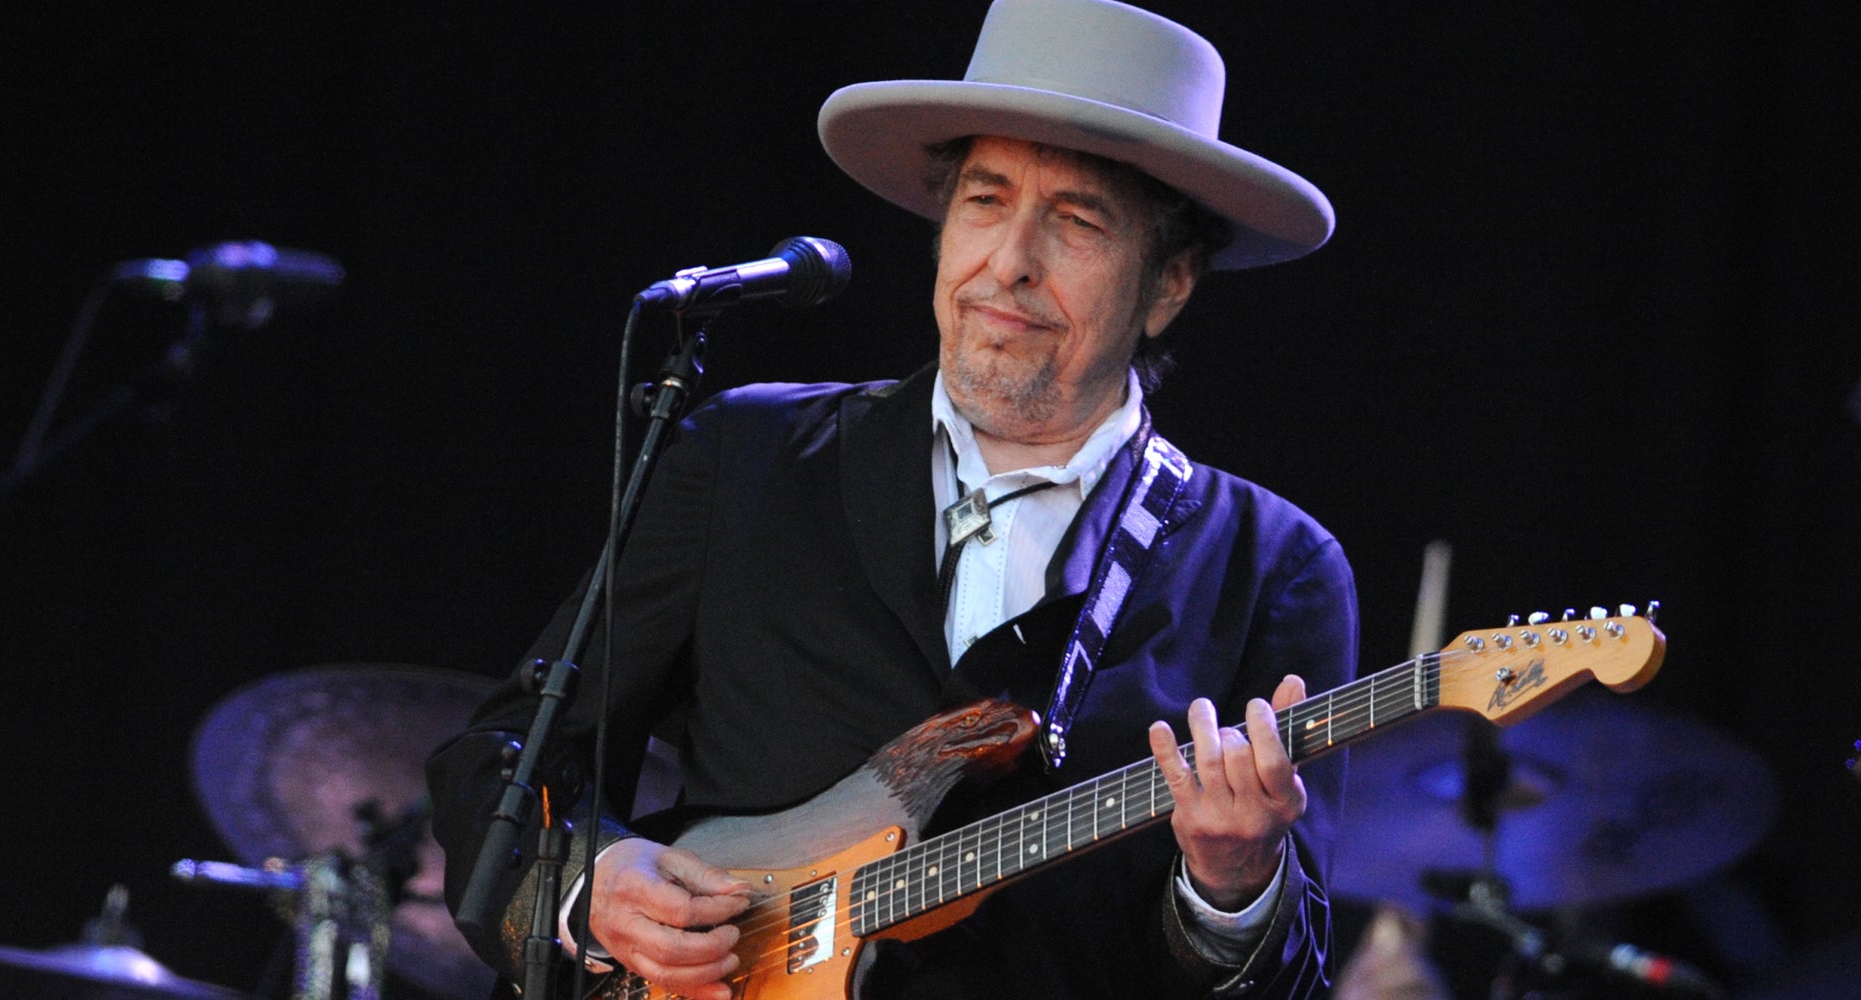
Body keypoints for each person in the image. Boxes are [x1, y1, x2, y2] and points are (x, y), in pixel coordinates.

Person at [427, 1, 1359, 997]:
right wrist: (589, 884)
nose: (1007, 263)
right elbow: (509, 751)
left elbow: (1286, 972)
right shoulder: (746, 452)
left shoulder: (1274, 567)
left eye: (1076, 221)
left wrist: (1232, 881)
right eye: (985, 201)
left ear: (1168, 282)